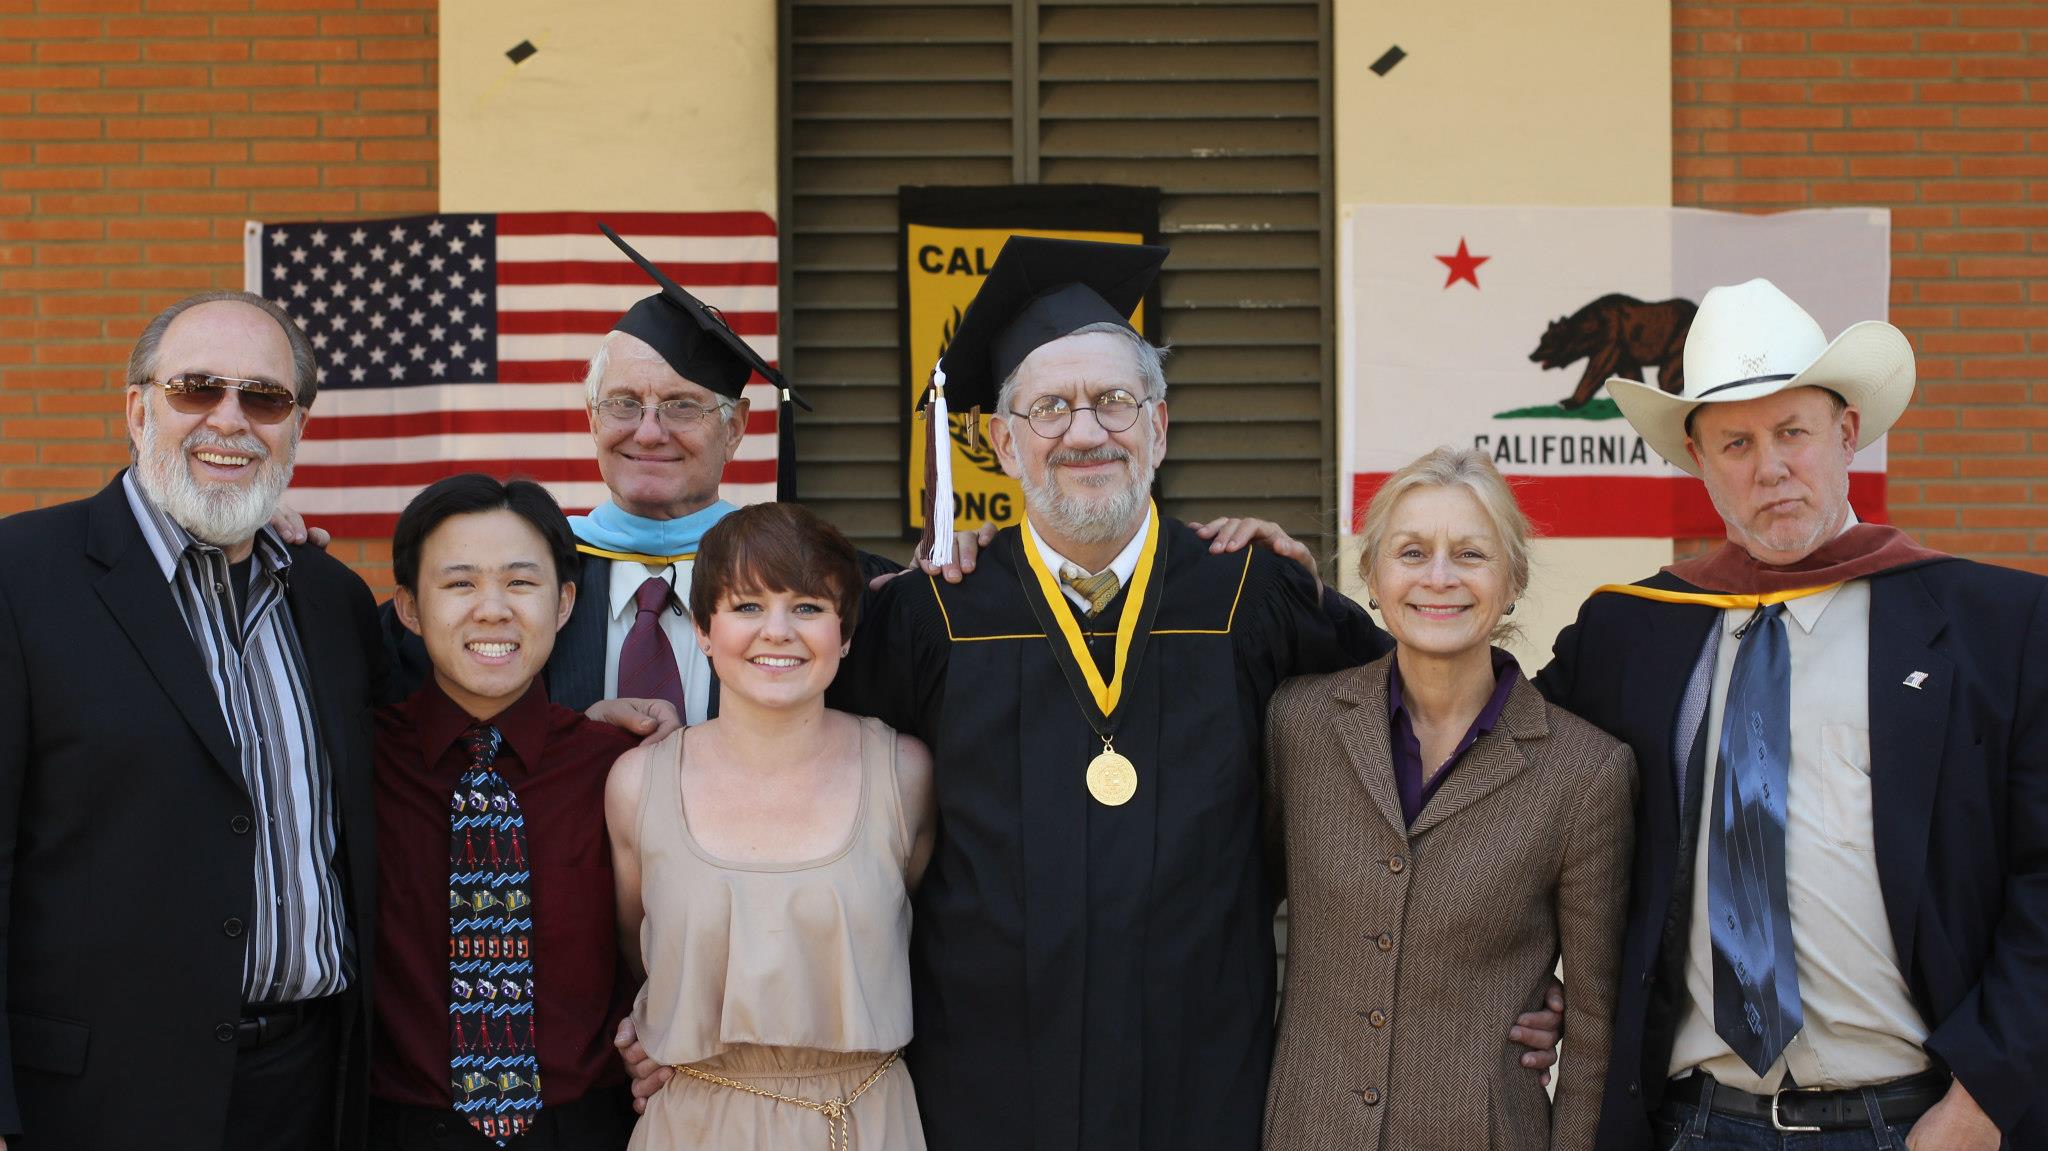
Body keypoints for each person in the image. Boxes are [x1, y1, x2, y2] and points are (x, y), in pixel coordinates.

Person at [820, 235, 1391, 1150]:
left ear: (1158, 428)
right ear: (1004, 443)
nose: (1086, 432)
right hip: (982, 1087)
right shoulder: (933, 612)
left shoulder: (1255, 594)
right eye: (1050, 408)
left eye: (1115, 402)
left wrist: (1501, 963)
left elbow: (1413, 750)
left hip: (1206, 1081)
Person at [1534, 278, 2048, 1149]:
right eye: (1735, 441)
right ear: (1697, 459)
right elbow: (1492, 764)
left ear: (1847, 434)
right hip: (1695, 1122)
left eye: (1793, 432)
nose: (1769, 467)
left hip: (1915, 1122)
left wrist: (1985, 1096)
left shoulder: (1996, 629)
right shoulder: (1630, 632)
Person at [0, 290, 384, 1149]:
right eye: (196, 388)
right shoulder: (20, 578)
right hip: (96, 1103)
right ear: (138, 408)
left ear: (297, 426)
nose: (230, 419)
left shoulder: (332, 601)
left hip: (312, 1093)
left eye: (265, 397)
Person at [1262, 447, 1634, 1151]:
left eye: (1470, 553)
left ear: (1512, 578)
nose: (1439, 578)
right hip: (1306, 1129)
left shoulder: (1585, 771)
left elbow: (1596, 1027)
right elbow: (1225, 923)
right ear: (1372, 574)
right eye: (1411, 552)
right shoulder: (1297, 726)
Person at [606, 501, 934, 1151]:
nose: (777, 630)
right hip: (695, 1121)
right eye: (747, 605)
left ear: (844, 633)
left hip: (865, 1120)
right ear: (703, 628)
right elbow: (635, 952)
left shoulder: (904, 773)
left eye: (808, 606)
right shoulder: (637, 783)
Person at [371, 474, 642, 1149]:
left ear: (563, 603)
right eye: (459, 583)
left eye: (521, 583)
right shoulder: (355, 759)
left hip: (588, 1127)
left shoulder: (620, 768)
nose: (492, 609)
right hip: (399, 1126)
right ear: (408, 607)